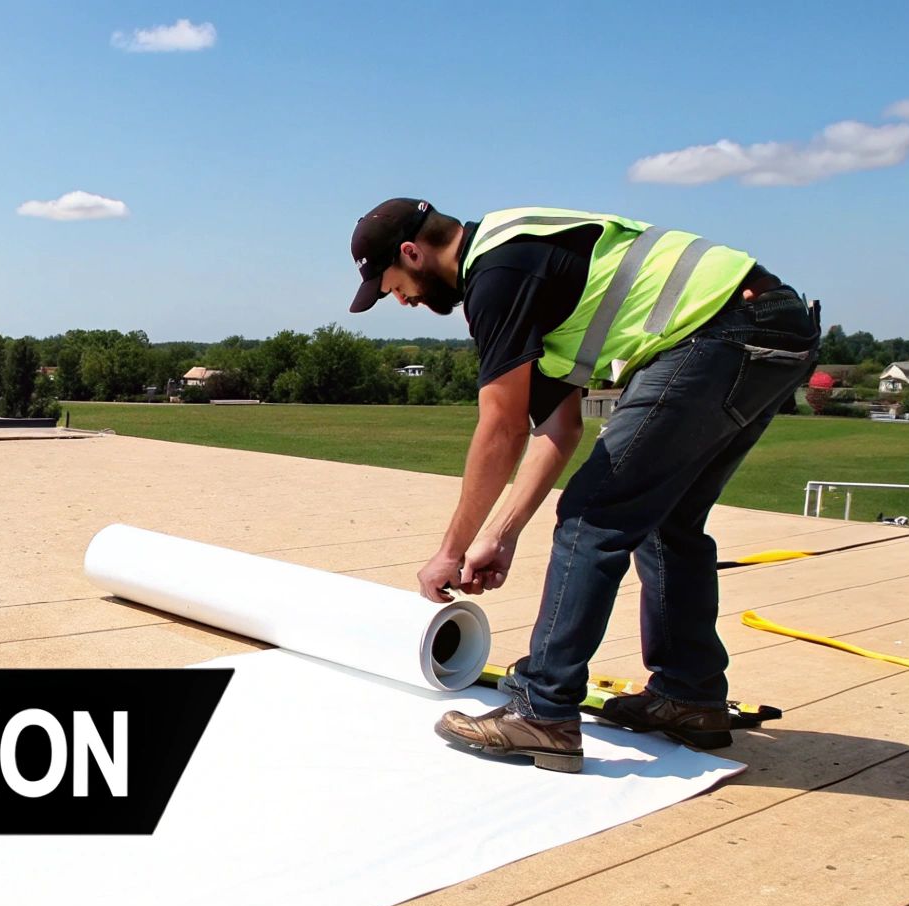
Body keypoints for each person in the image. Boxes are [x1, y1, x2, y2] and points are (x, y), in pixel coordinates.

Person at [347, 199, 819, 772]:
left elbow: (500, 429)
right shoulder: (519, 264)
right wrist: (501, 533)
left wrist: (449, 551)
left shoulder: (496, 276)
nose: (401, 299)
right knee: (667, 519)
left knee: (592, 516)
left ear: (412, 253)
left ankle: (543, 713)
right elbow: (558, 426)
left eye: (391, 286)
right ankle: (689, 698)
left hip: (717, 333)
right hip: (768, 327)